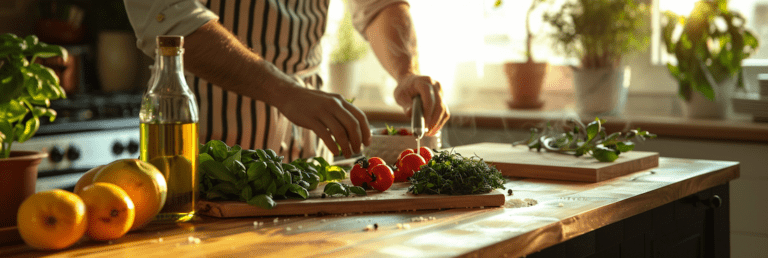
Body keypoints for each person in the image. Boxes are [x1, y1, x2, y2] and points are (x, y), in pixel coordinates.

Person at [123, 0, 449, 162]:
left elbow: (380, 6)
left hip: (310, 152)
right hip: (204, 151)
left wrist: (406, 72)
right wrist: (284, 91)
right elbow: (168, 15)